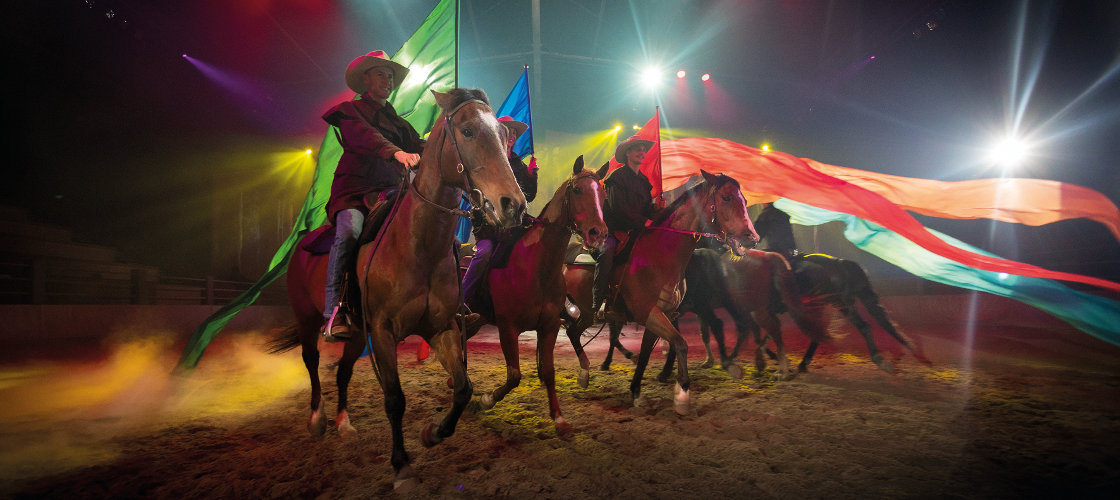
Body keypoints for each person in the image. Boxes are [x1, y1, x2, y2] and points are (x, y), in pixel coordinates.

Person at [319, 50, 424, 342]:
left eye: (390, 76)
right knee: (350, 231)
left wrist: (448, 142)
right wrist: (397, 152)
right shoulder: (350, 112)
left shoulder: (400, 123)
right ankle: (334, 311)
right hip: (356, 192)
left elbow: (421, 145)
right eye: (381, 74)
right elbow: (368, 138)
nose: (387, 80)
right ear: (365, 79)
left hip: (393, 193)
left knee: (438, 231)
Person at [460, 116, 537, 311]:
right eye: (507, 130)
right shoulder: (487, 161)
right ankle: (461, 300)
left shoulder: (518, 164)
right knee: (484, 253)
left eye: (514, 133)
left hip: (514, 226)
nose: (511, 135)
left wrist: (531, 175)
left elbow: (531, 196)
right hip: (489, 226)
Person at [592, 134, 661, 319]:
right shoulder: (616, 177)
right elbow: (618, 208)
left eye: (644, 149)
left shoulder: (644, 181)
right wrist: (642, 222)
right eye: (638, 148)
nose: (642, 152)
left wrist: (658, 211)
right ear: (628, 153)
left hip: (637, 230)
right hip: (615, 230)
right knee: (607, 253)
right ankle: (598, 302)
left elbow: (646, 208)